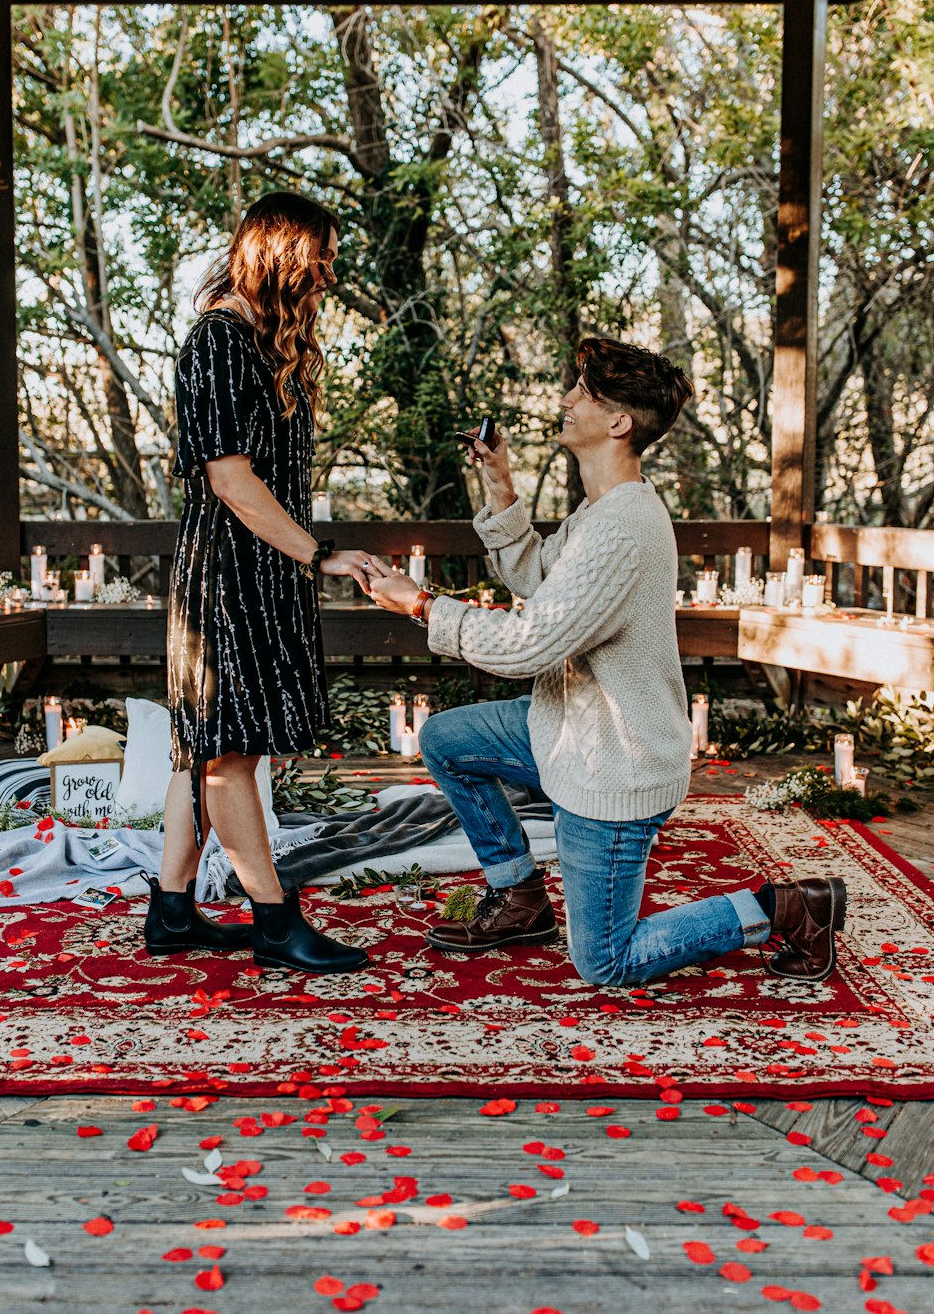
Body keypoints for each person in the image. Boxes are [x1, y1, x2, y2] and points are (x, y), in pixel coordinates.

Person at [366, 337, 846, 985]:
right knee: (447, 738)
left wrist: (423, 605)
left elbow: (527, 643)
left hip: (614, 768)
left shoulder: (623, 527)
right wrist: (500, 484)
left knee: (607, 959)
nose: (566, 400)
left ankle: (788, 906)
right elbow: (536, 575)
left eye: (583, 393)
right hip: (565, 729)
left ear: (619, 421)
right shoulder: (601, 511)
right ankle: (521, 897)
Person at [145, 191, 380, 974]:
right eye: (322, 258)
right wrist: (319, 555)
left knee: (205, 747)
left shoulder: (262, 343)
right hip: (226, 575)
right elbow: (231, 481)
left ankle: (173, 911)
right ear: (282, 253)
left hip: (261, 569)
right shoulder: (216, 340)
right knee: (229, 754)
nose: (329, 276)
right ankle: (275, 919)